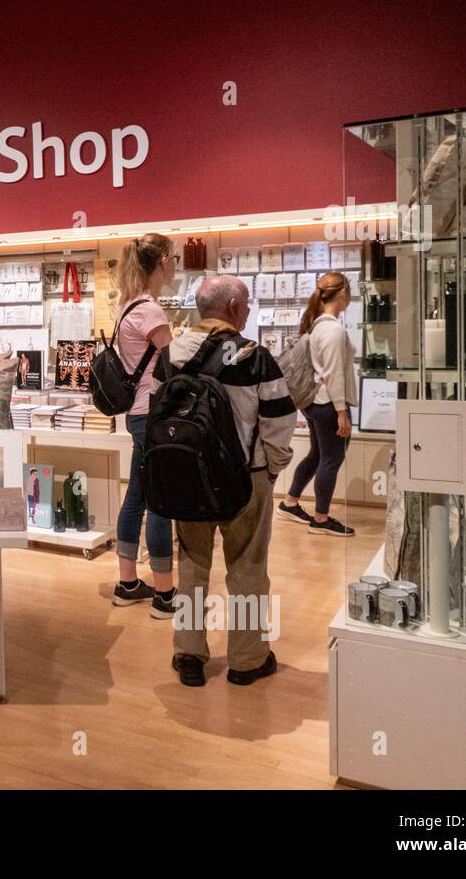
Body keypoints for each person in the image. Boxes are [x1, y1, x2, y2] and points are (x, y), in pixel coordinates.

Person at [157, 275, 296, 687]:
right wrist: (270, 469)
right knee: (249, 569)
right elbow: (279, 421)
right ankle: (247, 659)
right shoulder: (254, 356)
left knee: (191, 567)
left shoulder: (171, 354)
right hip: (245, 480)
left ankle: (189, 655)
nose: (249, 308)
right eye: (247, 301)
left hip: (188, 479)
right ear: (234, 305)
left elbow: (159, 415)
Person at [112, 233, 177, 616]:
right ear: (163, 261)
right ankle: (165, 594)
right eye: (175, 258)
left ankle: (127, 583)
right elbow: (172, 365)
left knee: (136, 497)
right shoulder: (150, 310)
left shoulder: (128, 305)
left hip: (138, 414)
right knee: (160, 503)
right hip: (155, 415)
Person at [279, 271, 358, 537]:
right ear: (343, 293)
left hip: (315, 403)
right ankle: (321, 518)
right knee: (331, 459)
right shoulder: (332, 330)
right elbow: (334, 374)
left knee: (317, 455)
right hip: (328, 404)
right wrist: (342, 413)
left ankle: (290, 502)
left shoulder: (317, 326)